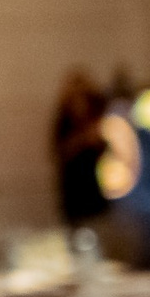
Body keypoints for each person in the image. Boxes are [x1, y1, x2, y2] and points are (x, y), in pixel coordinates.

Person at [52, 68, 110, 225]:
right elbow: (59, 151)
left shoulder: (97, 114)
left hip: (95, 186)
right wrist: (81, 140)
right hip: (74, 189)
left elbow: (106, 146)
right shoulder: (64, 120)